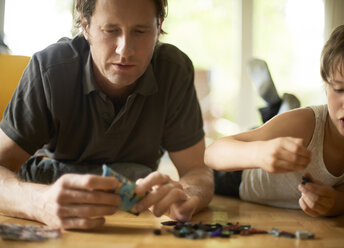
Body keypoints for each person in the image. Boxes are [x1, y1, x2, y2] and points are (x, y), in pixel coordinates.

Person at [0, 0, 213, 230]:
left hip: (139, 219)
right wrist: (40, 203)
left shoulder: (174, 71)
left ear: (159, 26)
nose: (125, 50)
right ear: (85, 27)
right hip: (51, 201)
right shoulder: (49, 69)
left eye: (140, 31)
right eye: (110, 30)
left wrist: (187, 195)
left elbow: (196, 170)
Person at [205, 18, 344, 217]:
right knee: (264, 134)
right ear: (326, 86)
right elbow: (212, 153)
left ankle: (276, 107)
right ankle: (277, 109)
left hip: (279, 137)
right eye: (339, 89)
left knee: (275, 128)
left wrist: (331, 202)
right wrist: (260, 153)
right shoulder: (307, 122)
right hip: (239, 177)